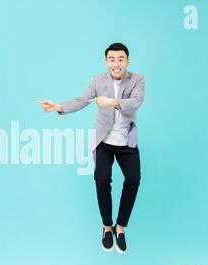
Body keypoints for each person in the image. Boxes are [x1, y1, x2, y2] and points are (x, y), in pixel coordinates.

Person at [37, 43, 145, 254]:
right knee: (102, 180)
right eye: (112, 59)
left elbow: (135, 102)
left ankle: (120, 227)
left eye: (121, 59)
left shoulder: (138, 80)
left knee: (133, 179)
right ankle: (107, 228)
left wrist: (112, 102)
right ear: (106, 62)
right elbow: (81, 100)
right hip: (103, 141)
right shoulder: (97, 81)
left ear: (128, 61)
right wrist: (59, 107)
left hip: (126, 141)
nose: (116, 64)